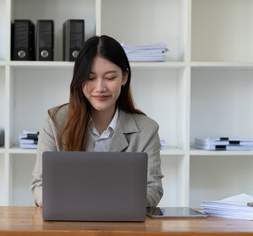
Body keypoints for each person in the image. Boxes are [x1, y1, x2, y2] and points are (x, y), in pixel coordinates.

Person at [30, 35, 164, 207]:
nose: (100, 88)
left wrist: (104, 206)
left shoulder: (147, 130)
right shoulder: (55, 121)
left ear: (124, 77)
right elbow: (40, 186)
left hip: (123, 228)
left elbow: (153, 189)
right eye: (91, 78)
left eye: (109, 78)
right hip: (68, 225)